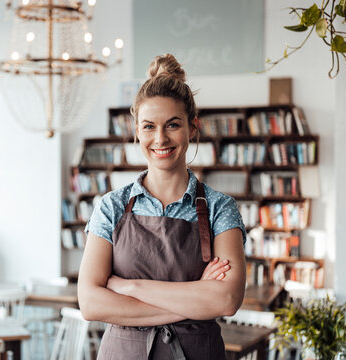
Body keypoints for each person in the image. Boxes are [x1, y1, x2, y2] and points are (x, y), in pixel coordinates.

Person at [77, 54, 247, 360]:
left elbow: (226, 299)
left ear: (192, 127)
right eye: (149, 127)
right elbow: (91, 303)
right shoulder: (111, 207)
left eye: (172, 125)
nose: (160, 138)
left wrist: (130, 288)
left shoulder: (221, 208)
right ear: (137, 132)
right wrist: (195, 297)